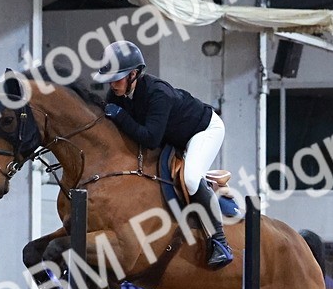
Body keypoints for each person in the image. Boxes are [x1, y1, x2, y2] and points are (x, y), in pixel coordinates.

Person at [92, 40, 232, 269]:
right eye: (110, 80)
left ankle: (220, 242)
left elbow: (150, 139)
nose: (112, 85)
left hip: (203, 130)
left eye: (117, 79)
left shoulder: (158, 93)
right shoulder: (117, 94)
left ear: (134, 74)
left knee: (191, 179)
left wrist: (120, 116)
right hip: (172, 135)